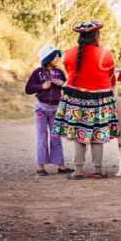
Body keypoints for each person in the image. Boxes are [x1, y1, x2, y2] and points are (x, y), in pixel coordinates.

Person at [52, 21, 119, 180]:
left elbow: (70, 72)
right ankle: (97, 170)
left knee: (78, 134)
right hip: (100, 100)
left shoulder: (69, 53)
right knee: (98, 134)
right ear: (96, 36)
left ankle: (78, 170)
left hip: (76, 99)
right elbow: (111, 78)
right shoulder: (105, 54)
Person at [24, 45, 73, 176]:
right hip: (41, 108)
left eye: (59, 56)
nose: (58, 58)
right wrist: (42, 86)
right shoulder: (37, 72)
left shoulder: (60, 73)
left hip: (56, 110)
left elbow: (69, 88)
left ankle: (61, 166)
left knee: (56, 137)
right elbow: (28, 89)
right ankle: (40, 167)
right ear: (48, 57)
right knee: (42, 137)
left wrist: (62, 84)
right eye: (56, 56)